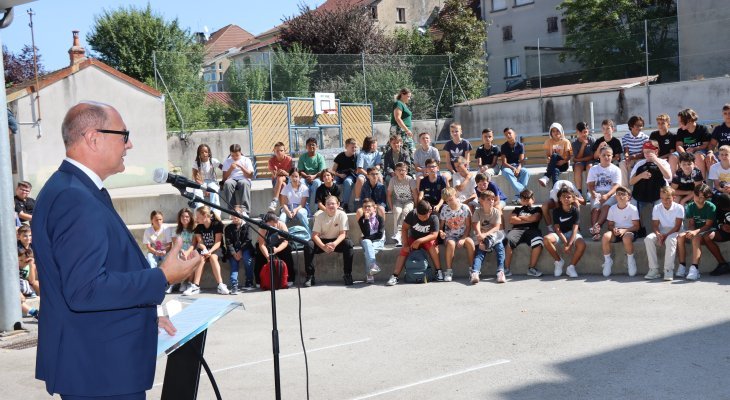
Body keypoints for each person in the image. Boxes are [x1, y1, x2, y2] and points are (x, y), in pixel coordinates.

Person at [32, 101, 200, 398]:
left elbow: (97, 274)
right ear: (93, 138)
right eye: (124, 135)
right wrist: (162, 277)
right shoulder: (75, 197)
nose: (130, 143)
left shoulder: (77, 189)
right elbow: (85, 290)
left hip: (99, 363)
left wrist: (144, 315)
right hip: (99, 372)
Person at [385, 200, 443, 286]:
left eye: (424, 217)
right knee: (404, 250)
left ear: (429, 211)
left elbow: (434, 235)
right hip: (413, 238)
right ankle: (395, 276)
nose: (422, 219)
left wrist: (419, 241)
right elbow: (404, 229)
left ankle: (439, 271)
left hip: (427, 239)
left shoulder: (434, 217)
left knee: (432, 245)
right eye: (420, 217)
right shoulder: (412, 214)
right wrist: (405, 244)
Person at [303, 195, 355, 286]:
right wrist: (323, 247)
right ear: (325, 205)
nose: (330, 206)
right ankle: (310, 276)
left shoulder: (342, 214)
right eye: (328, 204)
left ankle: (347, 274)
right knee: (308, 245)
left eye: (333, 203)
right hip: (322, 241)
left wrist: (334, 244)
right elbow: (314, 235)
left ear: (338, 204)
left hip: (336, 241)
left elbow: (343, 234)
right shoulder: (319, 216)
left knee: (349, 244)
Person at [184, 206, 230, 295]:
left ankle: (220, 285)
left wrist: (210, 251)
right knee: (200, 258)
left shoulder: (217, 224)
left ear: (205, 216)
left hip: (216, 248)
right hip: (204, 249)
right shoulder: (199, 227)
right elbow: (200, 242)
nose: (196, 218)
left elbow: (218, 243)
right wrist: (205, 249)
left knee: (213, 257)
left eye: (198, 216)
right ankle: (195, 286)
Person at [543, 187, 586, 278]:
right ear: (559, 199)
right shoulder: (556, 211)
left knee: (582, 244)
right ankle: (558, 261)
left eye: (568, 197)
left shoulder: (575, 210)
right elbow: (557, 229)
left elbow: (575, 229)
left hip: (572, 233)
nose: (566, 199)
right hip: (560, 234)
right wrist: (566, 243)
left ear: (573, 198)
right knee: (546, 239)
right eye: (563, 197)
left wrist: (569, 244)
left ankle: (571, 267)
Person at [676, 184, 716, 281]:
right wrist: (691, 231)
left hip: (707, 230)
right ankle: (682, 265)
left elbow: (708, 225)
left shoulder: (711, 206)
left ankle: (695, 268)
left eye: (701, 197)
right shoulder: (690, 206)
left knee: (696, 238)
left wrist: (694, 232)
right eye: (696, 196)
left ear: (706, 198)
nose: (698, 199)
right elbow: (691, 223)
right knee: (680, 236)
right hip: (696, 230)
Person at [643, 186, 684, 280]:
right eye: (662, 198)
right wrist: (658, 234)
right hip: (662, 231)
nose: (665, 201)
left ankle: (668, 270)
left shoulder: (679, 208)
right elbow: (655, 225)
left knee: (670, 240)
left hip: (675, 231)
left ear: (674, 198)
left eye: (668, 198)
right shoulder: (657, 208)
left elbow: (677, 227)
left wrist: (665, 236)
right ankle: (654, 269)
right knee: (648, 239)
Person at [600, 186, 641, 277]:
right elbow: (610, 225)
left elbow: (636, 226)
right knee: (606, 236)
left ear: (628, 197)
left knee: (626, 238)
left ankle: (630, 260)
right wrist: (613, 229)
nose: (621, 196)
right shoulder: (612, 208)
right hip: (617, 230)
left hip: (629, 231)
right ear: (616, 197)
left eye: (623, 194)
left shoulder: (633, 208)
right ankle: (607, 261)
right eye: (618, 194)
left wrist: (624, 230)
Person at [504, 189, 544, 278]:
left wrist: (521, 218)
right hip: (517, 230)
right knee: (508, 240)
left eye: (527, 199)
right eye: (523, 199)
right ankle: (506, 269)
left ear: (533, 199)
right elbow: (512, 220)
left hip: (532, 230)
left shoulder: (537, 209)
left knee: (538, 242)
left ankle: (531, 268)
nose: (525, 202)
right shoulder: (517, 209)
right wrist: (528, 218)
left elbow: (535, 218)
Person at [439, 187, 475, 282]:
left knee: (470, 243)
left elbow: (468, 226)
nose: (449, 202)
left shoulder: (464, 208)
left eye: (451, 199)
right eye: (447, 201)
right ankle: (449, 271)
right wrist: (441, 233)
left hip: (463, 234)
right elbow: (441, 227)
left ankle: (472, 270)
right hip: (450, 235)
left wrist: (463, 238)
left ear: (455, 195)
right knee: (451, 244)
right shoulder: (444, 210)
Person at [629, 141, 672, 219]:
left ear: (656, 151)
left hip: (659, 194)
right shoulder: (640, 164)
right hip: (642, 194)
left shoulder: (663, 162)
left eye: (649, 151)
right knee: (633, 207)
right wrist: (641, 176)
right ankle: (638, 229)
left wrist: (657, 161)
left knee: (660, 211)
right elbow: (631, 182)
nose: (646, 154)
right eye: (645, 152)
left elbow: (668, 177)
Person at [587, 147, 622, 241]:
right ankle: (596, 233)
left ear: (612, 156)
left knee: (606, 206)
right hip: (597, 192)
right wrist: (593, 193)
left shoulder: (616, 169)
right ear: (599, 156)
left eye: (609, 155)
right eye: (604, 155)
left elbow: (616, 186)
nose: (606, 157)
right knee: (596, 209)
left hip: (611, 193)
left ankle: (595, 228)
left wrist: (607, 195)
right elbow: (590, 185)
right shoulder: (593, 169)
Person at [471, 191, 506, 284]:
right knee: (480, 252)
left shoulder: (496, 212)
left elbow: (497, 227)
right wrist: (480, 236)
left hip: (494, 236)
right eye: (488, 199)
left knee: (500, 249)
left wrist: (485, 235)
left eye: (492, 199)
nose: (491, 201)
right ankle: (475, 272)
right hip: (481, 235)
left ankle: (500, 272)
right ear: (481, 201)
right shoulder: (478, 211)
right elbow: (476, 225)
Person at [255, 211, 296, 288]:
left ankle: (290, 277)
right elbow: (261, 244)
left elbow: (285, 242)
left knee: (287, 252)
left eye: (275, 222)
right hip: (266, 245)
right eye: (271, 222)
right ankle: (259, 280)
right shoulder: (262, 228)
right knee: (259, 255)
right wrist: (267, 256)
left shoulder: (281, 225)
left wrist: (277, 249)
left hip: (279, 245)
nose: (274, 224)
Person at [223, 206, 254, 294]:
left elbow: (248, 240)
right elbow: (228, 243)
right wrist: (234, 253)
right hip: (233, 251)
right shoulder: (228, 228)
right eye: (233, 215)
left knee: (247, 259)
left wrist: (240, 251)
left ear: (241, 214)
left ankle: (249, 281)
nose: (235, 217)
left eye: (236, 214)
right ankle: (234, 285)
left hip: (245, 248)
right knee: (234, 265)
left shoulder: (247, 226)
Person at [387, 162, 417, 247]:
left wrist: (416, 206)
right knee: (397, 211)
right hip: (398, 201)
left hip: (409, 201)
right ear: (395, 171)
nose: (401, 172)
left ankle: (399, 234)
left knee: (406, 212)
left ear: (406, 171)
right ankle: (398, 237)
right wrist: (391, 207)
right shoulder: (393, 180)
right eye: (399, 170)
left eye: (403, 170)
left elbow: (415, 194)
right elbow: (389, 194)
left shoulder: (410, 179)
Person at [675, 108, 711, 180]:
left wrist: (695, 149)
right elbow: (678, 145)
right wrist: (685, 154)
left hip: (699, 151)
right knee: (673, 157)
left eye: (681, 121)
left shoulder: (702, 129)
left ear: (688, 120)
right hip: (685, 153)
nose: (679, 124)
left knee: (698, 156)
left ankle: (701, 184)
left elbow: (706, 144)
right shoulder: (680, 131)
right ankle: (673, 184)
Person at [357, 198, 385, 284]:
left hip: (379, 241)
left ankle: (369, 275)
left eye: (369, 206)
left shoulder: (379, 218)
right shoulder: (361, 220)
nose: (367, 209)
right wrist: (366, 219)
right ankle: (373, 266)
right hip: (368, 241)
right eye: (364, 207)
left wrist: (367, 237)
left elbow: (380, 235)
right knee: (367, 242)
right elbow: (366, 233)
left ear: (374, 208)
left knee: (367, 251)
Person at [702, 193, 730, 276]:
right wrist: (721, 226)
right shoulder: (717, 207)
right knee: (707, 237)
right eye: (726, 208)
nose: (728, 209)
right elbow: (714, 221)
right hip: (724, 232)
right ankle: (723, 264)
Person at [221, 143, 254, 213]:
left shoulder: (246, 160)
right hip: (232, 179)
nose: (235, 157)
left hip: (244, 178)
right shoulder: (227, 161)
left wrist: (242, 168)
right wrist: (231, 169)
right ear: (230, 153)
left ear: (240, 152)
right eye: (232, 155)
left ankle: (245, 211)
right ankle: (232, 210)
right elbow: (224, 178)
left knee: (244, 183)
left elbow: (250, 175)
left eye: (237, 155)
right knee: (227, 183)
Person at [500, 127, 530, 204]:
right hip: (507, 167)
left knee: (525, 172)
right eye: (506, 134)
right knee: (506, 172)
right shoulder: (503, 146)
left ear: (515, 134)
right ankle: (523, 193)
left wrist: (518, 168)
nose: (508, 135)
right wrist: (513, 168)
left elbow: (521, 161)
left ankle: (518, 197)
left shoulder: (520, 145)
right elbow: (504, 163)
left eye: (510, 133)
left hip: (518, 166)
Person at [538, 122, 572, 188]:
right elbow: (547, 155)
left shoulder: (566, 141)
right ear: (551, 133)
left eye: (557, 131)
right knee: (555, 171)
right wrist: (548, 159)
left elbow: (570, 155)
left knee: (554, 155)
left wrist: (564, 161)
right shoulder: (548, 142)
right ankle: (555, 190)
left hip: (563, 164)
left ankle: (546, 176)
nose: (556, 133)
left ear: (561, 131)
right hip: (553, 164)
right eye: (553, 131)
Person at [298, 137, 327, 212]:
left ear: (316, 147)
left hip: (317, 177)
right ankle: (303, 206)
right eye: (309, 145)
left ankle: (312, 208)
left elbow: (322, 171)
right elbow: (300, 171)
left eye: (313, 145)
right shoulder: (302, 157)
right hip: (305, 177)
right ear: (306, 147)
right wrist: (307, 177)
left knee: (316, 183)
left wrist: (314, 176)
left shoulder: (320, 157)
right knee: (301, 182)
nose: (311, 146)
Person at [279, 169, 311, 236]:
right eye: (292, 176)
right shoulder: (286, 188)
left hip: (300, 208)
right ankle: (283, 237)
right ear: (289, 177)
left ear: (300, 177)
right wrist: (288, 212)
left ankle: (309, 234)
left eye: (296, 176)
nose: (294, 178)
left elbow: (302, 204)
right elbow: (283, 204)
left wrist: (295, 210)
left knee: (301, 213)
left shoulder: (304, 188)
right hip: (288, 208)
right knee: (281, 219)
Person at [170, 208, 196, 293]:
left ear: (190, 218)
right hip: (180, 250)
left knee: (190, 258)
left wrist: (187, 252)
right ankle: (176, 282)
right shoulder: (175, 230)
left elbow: (193, 244)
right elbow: (175, 244)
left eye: (187, 217)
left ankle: (188, 282)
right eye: (182, 216)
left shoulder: (194, 229)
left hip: (190, 250)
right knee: (178, 258)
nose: (184, 218)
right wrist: (182, 251)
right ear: (179, 218)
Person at [619, 115, 650, 187]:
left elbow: (643, 153)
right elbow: (626, 151)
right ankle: (625, 188)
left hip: (641, 158)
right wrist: (627, 157)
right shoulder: (625, 137)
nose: (639, 127)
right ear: (631, 126)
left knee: (638, 164)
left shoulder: (645, 137)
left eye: (641, 125)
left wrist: (631, 157)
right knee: (622, 163)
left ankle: (636, 187)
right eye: (637, 125)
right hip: (630, 158)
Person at [192, 143, 221, 216]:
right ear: (199, 154)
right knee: (197, 192)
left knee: (214, 191)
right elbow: (196, 178)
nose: (204, 154)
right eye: (201, 152)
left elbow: (224, 168)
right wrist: (204, 189)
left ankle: (215, 213)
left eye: (206, 152)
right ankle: (200, 212)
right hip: (200, 182)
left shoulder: (213, 161)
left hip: (212, 181)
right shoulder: (196, 163)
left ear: (209, 153)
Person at [354, 136, 383, 208]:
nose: (377, 145)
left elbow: (378, 164)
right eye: (376, 144)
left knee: (379, 177)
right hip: (364, 173)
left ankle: (380, 199)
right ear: (371, 145)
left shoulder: (376, 153)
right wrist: (368, 175)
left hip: (374, 173)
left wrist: (377, 168)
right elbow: (359, 168)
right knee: (360, 179)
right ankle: (358, 201)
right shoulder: (362, 154)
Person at [332, 138, 358, 212]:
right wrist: (339, 175)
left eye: (355, 147)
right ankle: (332, 202)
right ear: (346, 147)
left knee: (347, 182)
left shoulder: (357, 157)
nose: (354, 149)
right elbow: (333, 170)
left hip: (350, 176)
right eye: (352, 147)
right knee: (333, 183)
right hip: (339, 175)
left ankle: (345, 204)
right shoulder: (340, 156)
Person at [571, 121, 595, 197]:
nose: (584, 134)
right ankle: (579, 191)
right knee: (577, 167)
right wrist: (583, 146)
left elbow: (592, 156)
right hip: (580, 163)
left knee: (590, 166)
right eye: (581, 132)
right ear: (577, 132)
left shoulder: (592, 140)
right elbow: (577, 157)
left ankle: (589, 191)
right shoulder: (574, 143)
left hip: (590, 161)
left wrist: (577, 160)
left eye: (585, 132)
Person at [267, 142, 292, 211]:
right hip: (276, 180)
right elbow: (274, 175)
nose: (279, 152)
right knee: (282, 184)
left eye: (281, 150)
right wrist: (277, 173)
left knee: (281, 179)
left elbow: (292, 175)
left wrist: (285, 173)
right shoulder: (271, 160)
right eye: (277, 151)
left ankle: (274, 201)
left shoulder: (289, 159)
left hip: (287, 178)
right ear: (274, 151)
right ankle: (282, 208)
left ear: (285, 151)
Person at [390, 88, 415, 159]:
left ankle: (408, 167)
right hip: (400, 130)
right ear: (402, 95)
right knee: (409, 149)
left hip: (404, 131)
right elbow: (397, 118)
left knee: (407, 150)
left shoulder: (404, 105)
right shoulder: (398, 103)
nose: (409, 99)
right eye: (408, 96)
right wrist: (407, 130)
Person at [707, 104, 730, 168]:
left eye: (729, 113)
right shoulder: (718, 129)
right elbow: (712, 144)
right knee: (709, 159)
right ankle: (713, 178)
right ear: (722, 115)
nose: (728, 115)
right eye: (725, 113)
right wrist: (710, 152)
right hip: (722, 155)